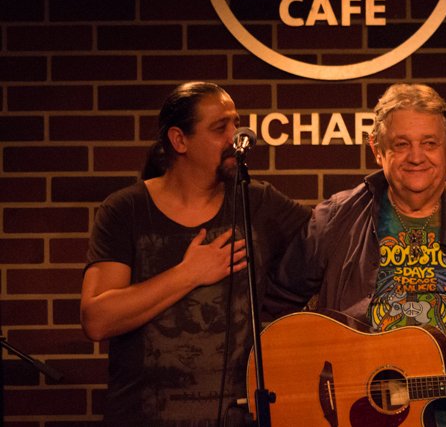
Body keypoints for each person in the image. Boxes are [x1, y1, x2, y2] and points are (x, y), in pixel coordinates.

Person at [264, 83, 446, 426]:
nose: (416, 157)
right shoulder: (339, 218)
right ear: (377, 149)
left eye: (430, 144)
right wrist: (315, 388)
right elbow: (276, 307)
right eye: (401, 144)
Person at [80, 82, 311, 426]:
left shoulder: (258, 201)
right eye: (220, 128)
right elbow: (97, 320)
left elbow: (326, 240)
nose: (235, 136)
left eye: (236, 123)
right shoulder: (126, 210)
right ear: (179, 140)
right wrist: (189, 273)